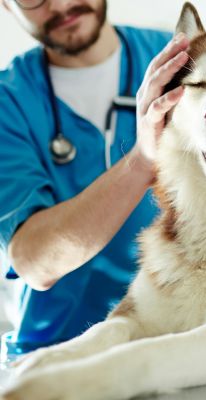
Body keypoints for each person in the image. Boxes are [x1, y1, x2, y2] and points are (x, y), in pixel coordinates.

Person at [0, 0, 189, 360]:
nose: (58, 4)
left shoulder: (178, 60)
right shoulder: (8, 102)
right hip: (59, 355)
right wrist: (142, 159)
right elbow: (35, 262)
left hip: (178, 342)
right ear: (8, 6)